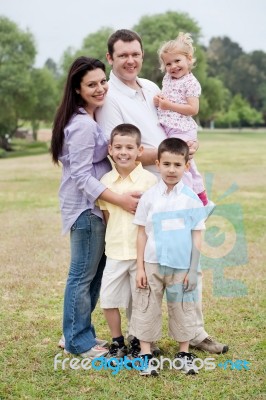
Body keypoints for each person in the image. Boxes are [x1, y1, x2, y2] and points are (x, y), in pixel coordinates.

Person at [96, 29, 229, 355]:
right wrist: (173, 154)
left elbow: (177, 124)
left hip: (178, 185)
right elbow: (123, 149)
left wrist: (187, 147)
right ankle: (145, 341)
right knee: (149, 270)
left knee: (188, 263)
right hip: (147, 191)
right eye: (123, 55)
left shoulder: (154, 87)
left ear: (143, 57)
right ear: (110, 58)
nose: (130, 60)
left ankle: (195, 333)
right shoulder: (109, 98)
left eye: (136, 54)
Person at [51, 56, 140, 358]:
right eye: (92, 84)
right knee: (82, 276)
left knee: (92, 275)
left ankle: (78, 334)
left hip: (96, 209)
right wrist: (120, 201)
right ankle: (77, 341)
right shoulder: (82, 126)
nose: (101, 88)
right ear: (77, 89)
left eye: (103, 81)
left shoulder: (88, 120)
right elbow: (80, 176)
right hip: (86, 210)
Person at [131, 138, 206, 376]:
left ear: (186, 166)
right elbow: (142, 233)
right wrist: (140, 267)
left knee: (183, 307)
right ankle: (145, 354)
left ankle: (183, 353)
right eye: (166, 164)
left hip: (181, 266)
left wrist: (193, 270)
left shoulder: (191, 199)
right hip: (152, 264)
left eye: (177, 164)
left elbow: (197, 236)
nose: (171, 170)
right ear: (157, 164)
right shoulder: (149, 197)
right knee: (146, 307)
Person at [97, 123, 157, 359]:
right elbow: (107, 216)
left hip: (141, 254)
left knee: (140, 301)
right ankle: (117, 341)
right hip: (114, 251)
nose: (124, 152)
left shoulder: (150, 181)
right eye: (118, 147)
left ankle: (137, 341)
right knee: (109, 299)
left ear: (139, 150)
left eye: (129, 147)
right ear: (110, 149)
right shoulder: (105, 182)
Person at [154, 32, 209, 206]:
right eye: (168, 63)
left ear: (189, 59)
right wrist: (159, 101)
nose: (173, 66)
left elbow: (193, 109)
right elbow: (168, 99)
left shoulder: (190, 82)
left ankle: (191, 198)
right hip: (170, 128)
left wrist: (167, 105)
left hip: (183, 129)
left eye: (177, 61)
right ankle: (196, 198)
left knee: (182, 165)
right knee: (182, 164)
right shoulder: (167, 79)